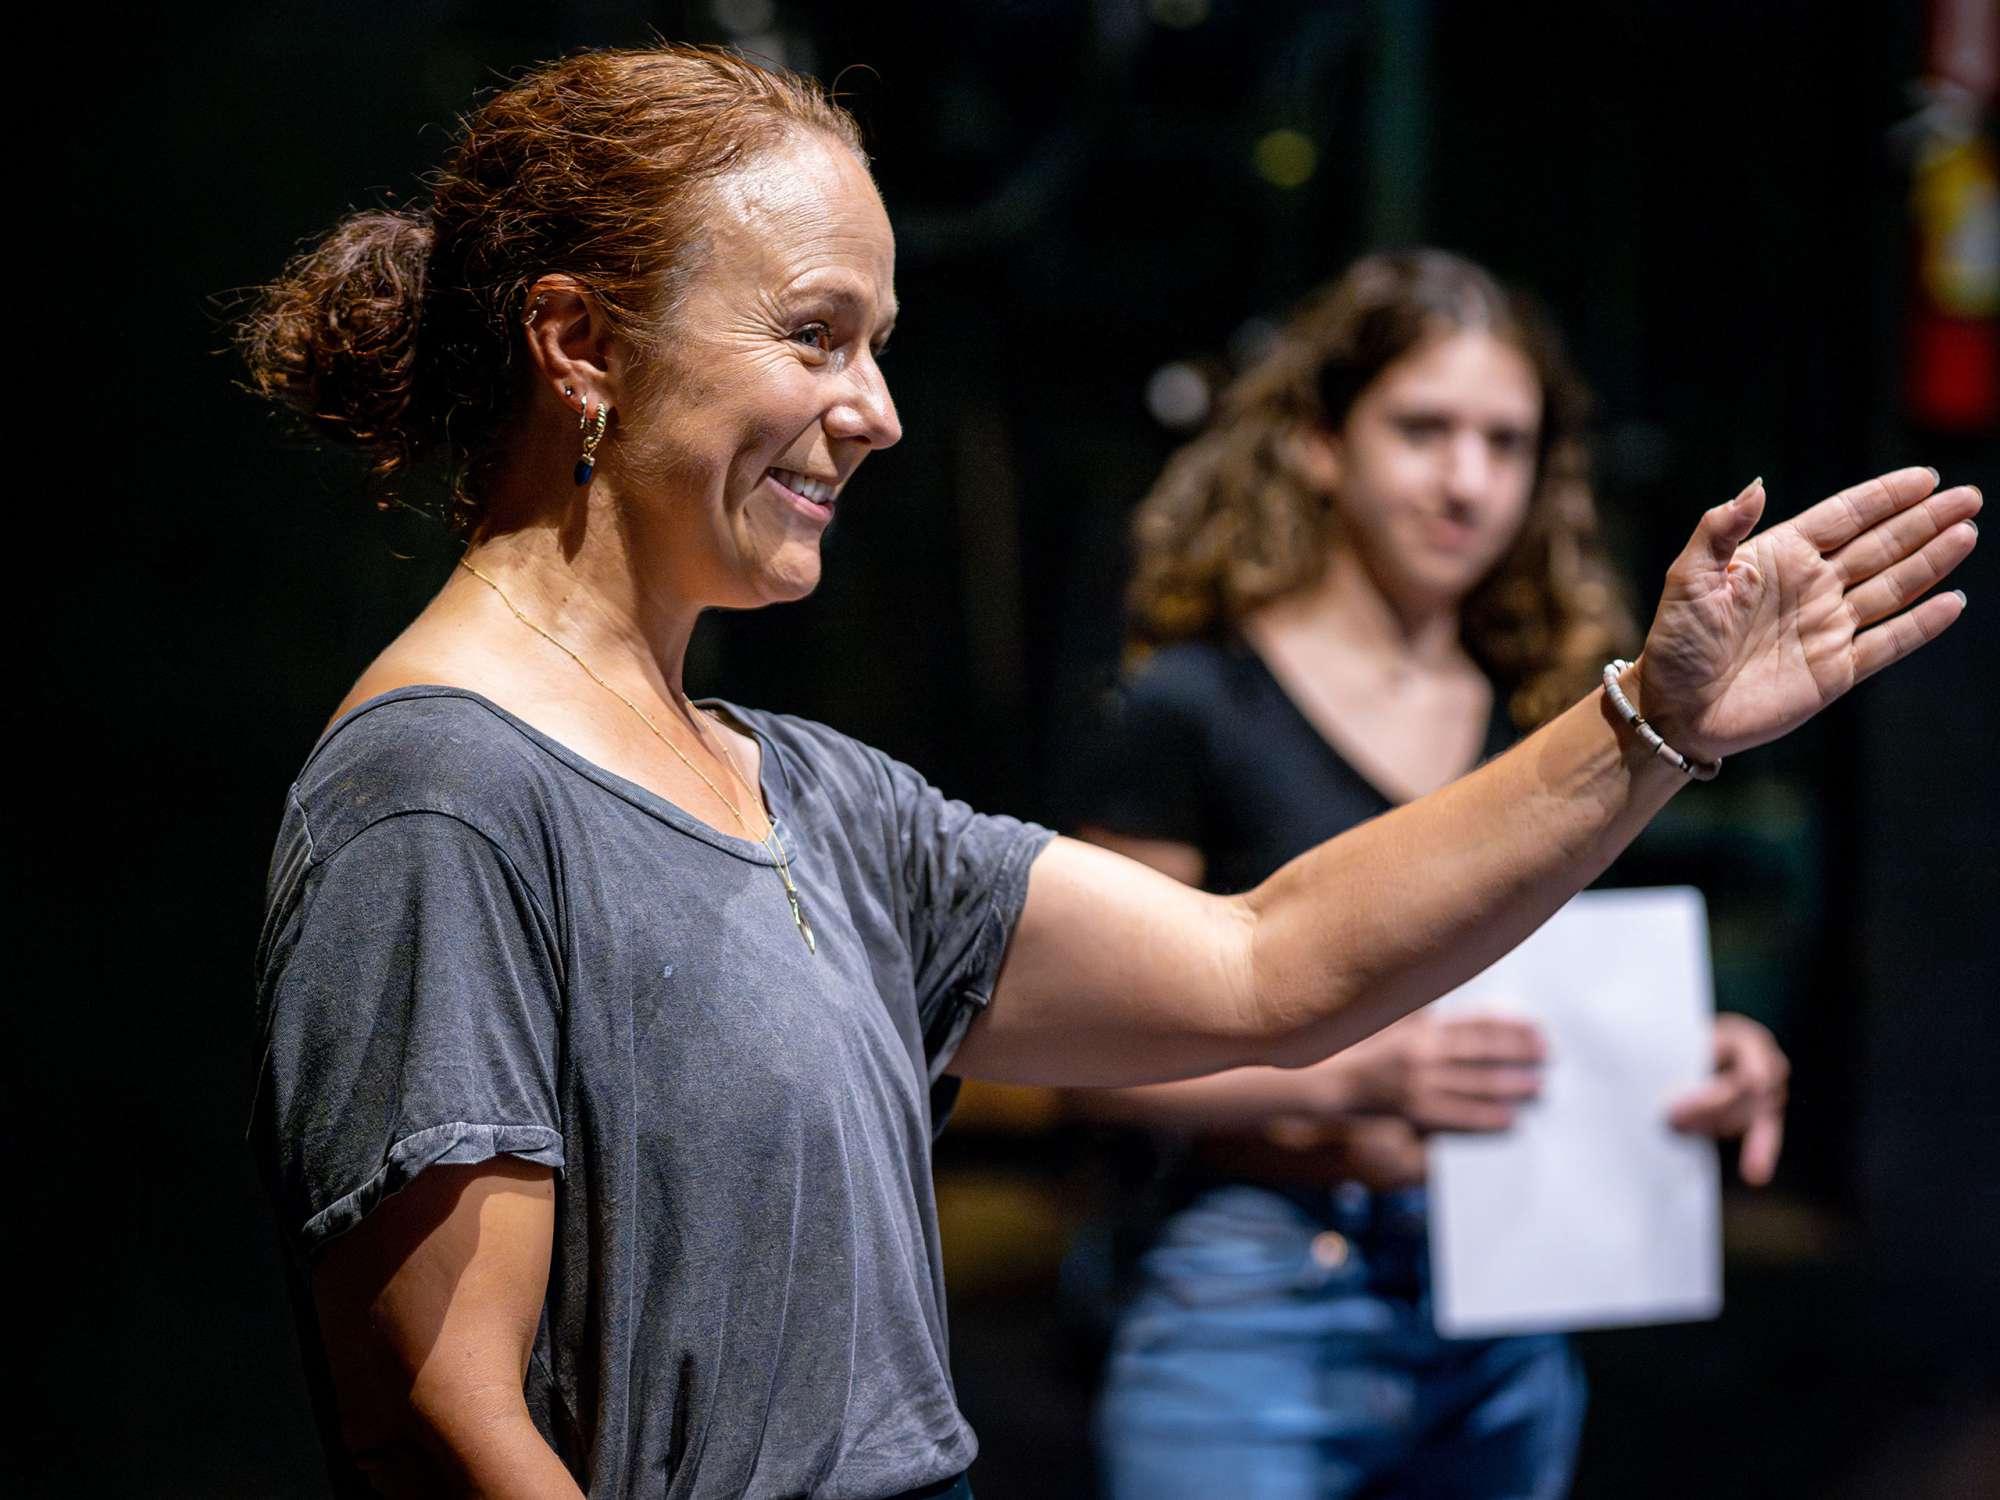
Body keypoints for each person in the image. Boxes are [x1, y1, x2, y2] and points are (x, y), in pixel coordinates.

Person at [238, 44, 1977, 1500]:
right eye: (816, 334)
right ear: (580, 342)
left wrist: (1650, 725)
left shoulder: (814, 794)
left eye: (883, 343)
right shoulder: (441, 794)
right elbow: (447, 1424)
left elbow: (1263, 960)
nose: (879, 409)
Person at [1074, 250, 1794, 1500]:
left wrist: (1686, 1054)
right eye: (1422, 429)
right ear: (1316, 442)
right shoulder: (1192, 704)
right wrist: (1369, 1071)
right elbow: (1087, 1056)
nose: (1466, 480)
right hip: (1256, 1291)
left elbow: (1553, 993)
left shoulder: (1556, 720)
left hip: (1502, 1301)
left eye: (1504, 443)